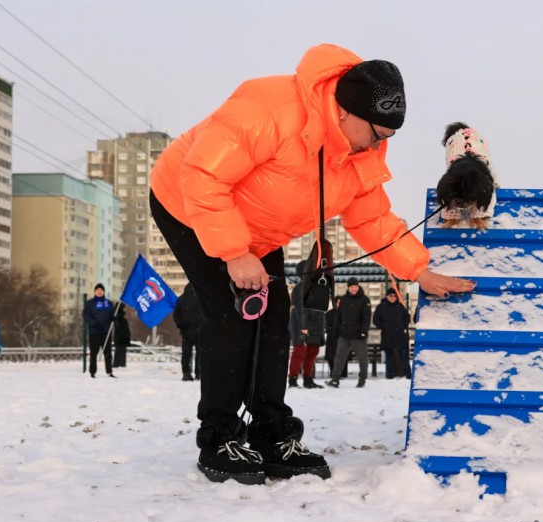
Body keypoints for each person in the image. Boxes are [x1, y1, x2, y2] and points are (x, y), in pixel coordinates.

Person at [148, 44, 475, 485]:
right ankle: (220, 436)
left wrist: (418, 270)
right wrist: (234, 252)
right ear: (344, 111)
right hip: (190, 205)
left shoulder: (360, 153)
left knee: (275, 318)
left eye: (387, 138)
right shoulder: (269, 110)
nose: (379, 144)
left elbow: (372, 218)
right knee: (231, 315)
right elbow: (202, 175)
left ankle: (270, 433)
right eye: (375, 133)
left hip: (258, 228)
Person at [327, 277, 372, 388]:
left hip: (358, 336)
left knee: (362, 359)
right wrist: (336, 331)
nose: (354, 289)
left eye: (355, 286)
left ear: (358, 286)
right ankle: (335, 379)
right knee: (339, 358)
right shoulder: (344, 300)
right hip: (344, 335)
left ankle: (362, 379)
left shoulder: (364, 300)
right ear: (348, 288)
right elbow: (339, 317)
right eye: (351, 287)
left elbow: (367, 317)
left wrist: (363, 331)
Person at [288, 260, 326, 389]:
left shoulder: (318, 286)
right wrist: (304, 327)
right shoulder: (300, 287)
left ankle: (308, 379)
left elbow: (321, 310)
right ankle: (293, 379)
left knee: (312, 352)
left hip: (315, 326)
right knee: (300, 353)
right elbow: (300, 308)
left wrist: (321, 328)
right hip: (302, 327)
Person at [372, 287, 412, 379]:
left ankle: (408, 374)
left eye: (395, 295)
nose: (393, 297)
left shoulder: (400, 306)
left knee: (404, 356)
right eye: (391, 295)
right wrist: (383, 326)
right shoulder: (381, 307)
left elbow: (407, 318)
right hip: (388, 335)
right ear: (387, 296)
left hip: (400, 336)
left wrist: (402, 326)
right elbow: (375, 319)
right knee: (389, 357)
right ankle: (389, 375)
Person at [173, 283, 204, 382]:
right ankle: (199, 373)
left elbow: (176, 315)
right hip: (200, 331)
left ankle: (186, 373)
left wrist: (182, 325)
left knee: (186, 353)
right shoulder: (201, 298)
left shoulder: (181, 299)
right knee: (201, 353)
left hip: (186, 332)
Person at [83, 283, 115, 379]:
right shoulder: (90, 303)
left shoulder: (109, 303)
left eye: (101, 290)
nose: (99, 291)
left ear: (104, 291)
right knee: (93, 353)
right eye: (97, 290)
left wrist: (114, 318)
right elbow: (86, 316)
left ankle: (109, 371)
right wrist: (94, 324)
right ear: (95, 291)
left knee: (108, 353)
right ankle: (92, 372)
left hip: (106, 332)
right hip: (94, 332)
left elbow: (112, 316)